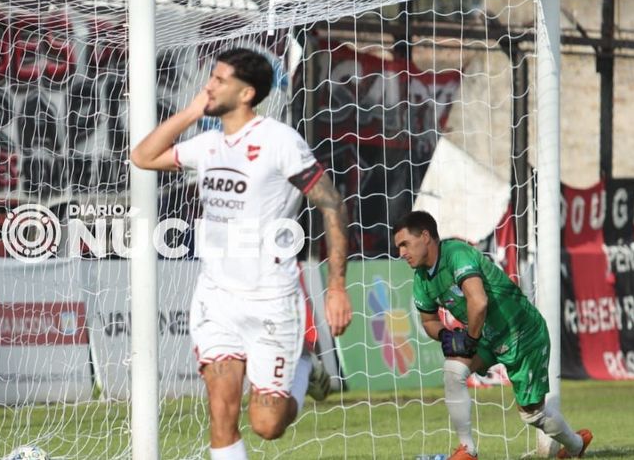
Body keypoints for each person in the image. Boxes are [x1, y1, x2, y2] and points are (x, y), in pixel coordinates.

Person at [131, 47, 352, 460]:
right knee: (221, 410)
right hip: (216, 299)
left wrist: (336, 285)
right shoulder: (208, 144)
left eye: (219, 79)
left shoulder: (279, 141)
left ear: (247, 92)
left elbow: (332, 204)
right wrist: (193, 113)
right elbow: (143, 156)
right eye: (210, 77)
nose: (208, 85)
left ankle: (304, 366)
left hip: (271, 298)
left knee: (267, 426)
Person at [393, 210, 592, 460]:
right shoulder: (421, 279)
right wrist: (445, 335)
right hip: (486, 337)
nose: (401, 253)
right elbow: (429, 320)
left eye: (404, 244)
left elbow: (479, 302)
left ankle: (575, 445)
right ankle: (468, 451)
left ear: (425, 236)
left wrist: (470, 341)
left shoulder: (456, 254)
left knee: (532, 413)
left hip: (522, 334)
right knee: (454, 371)